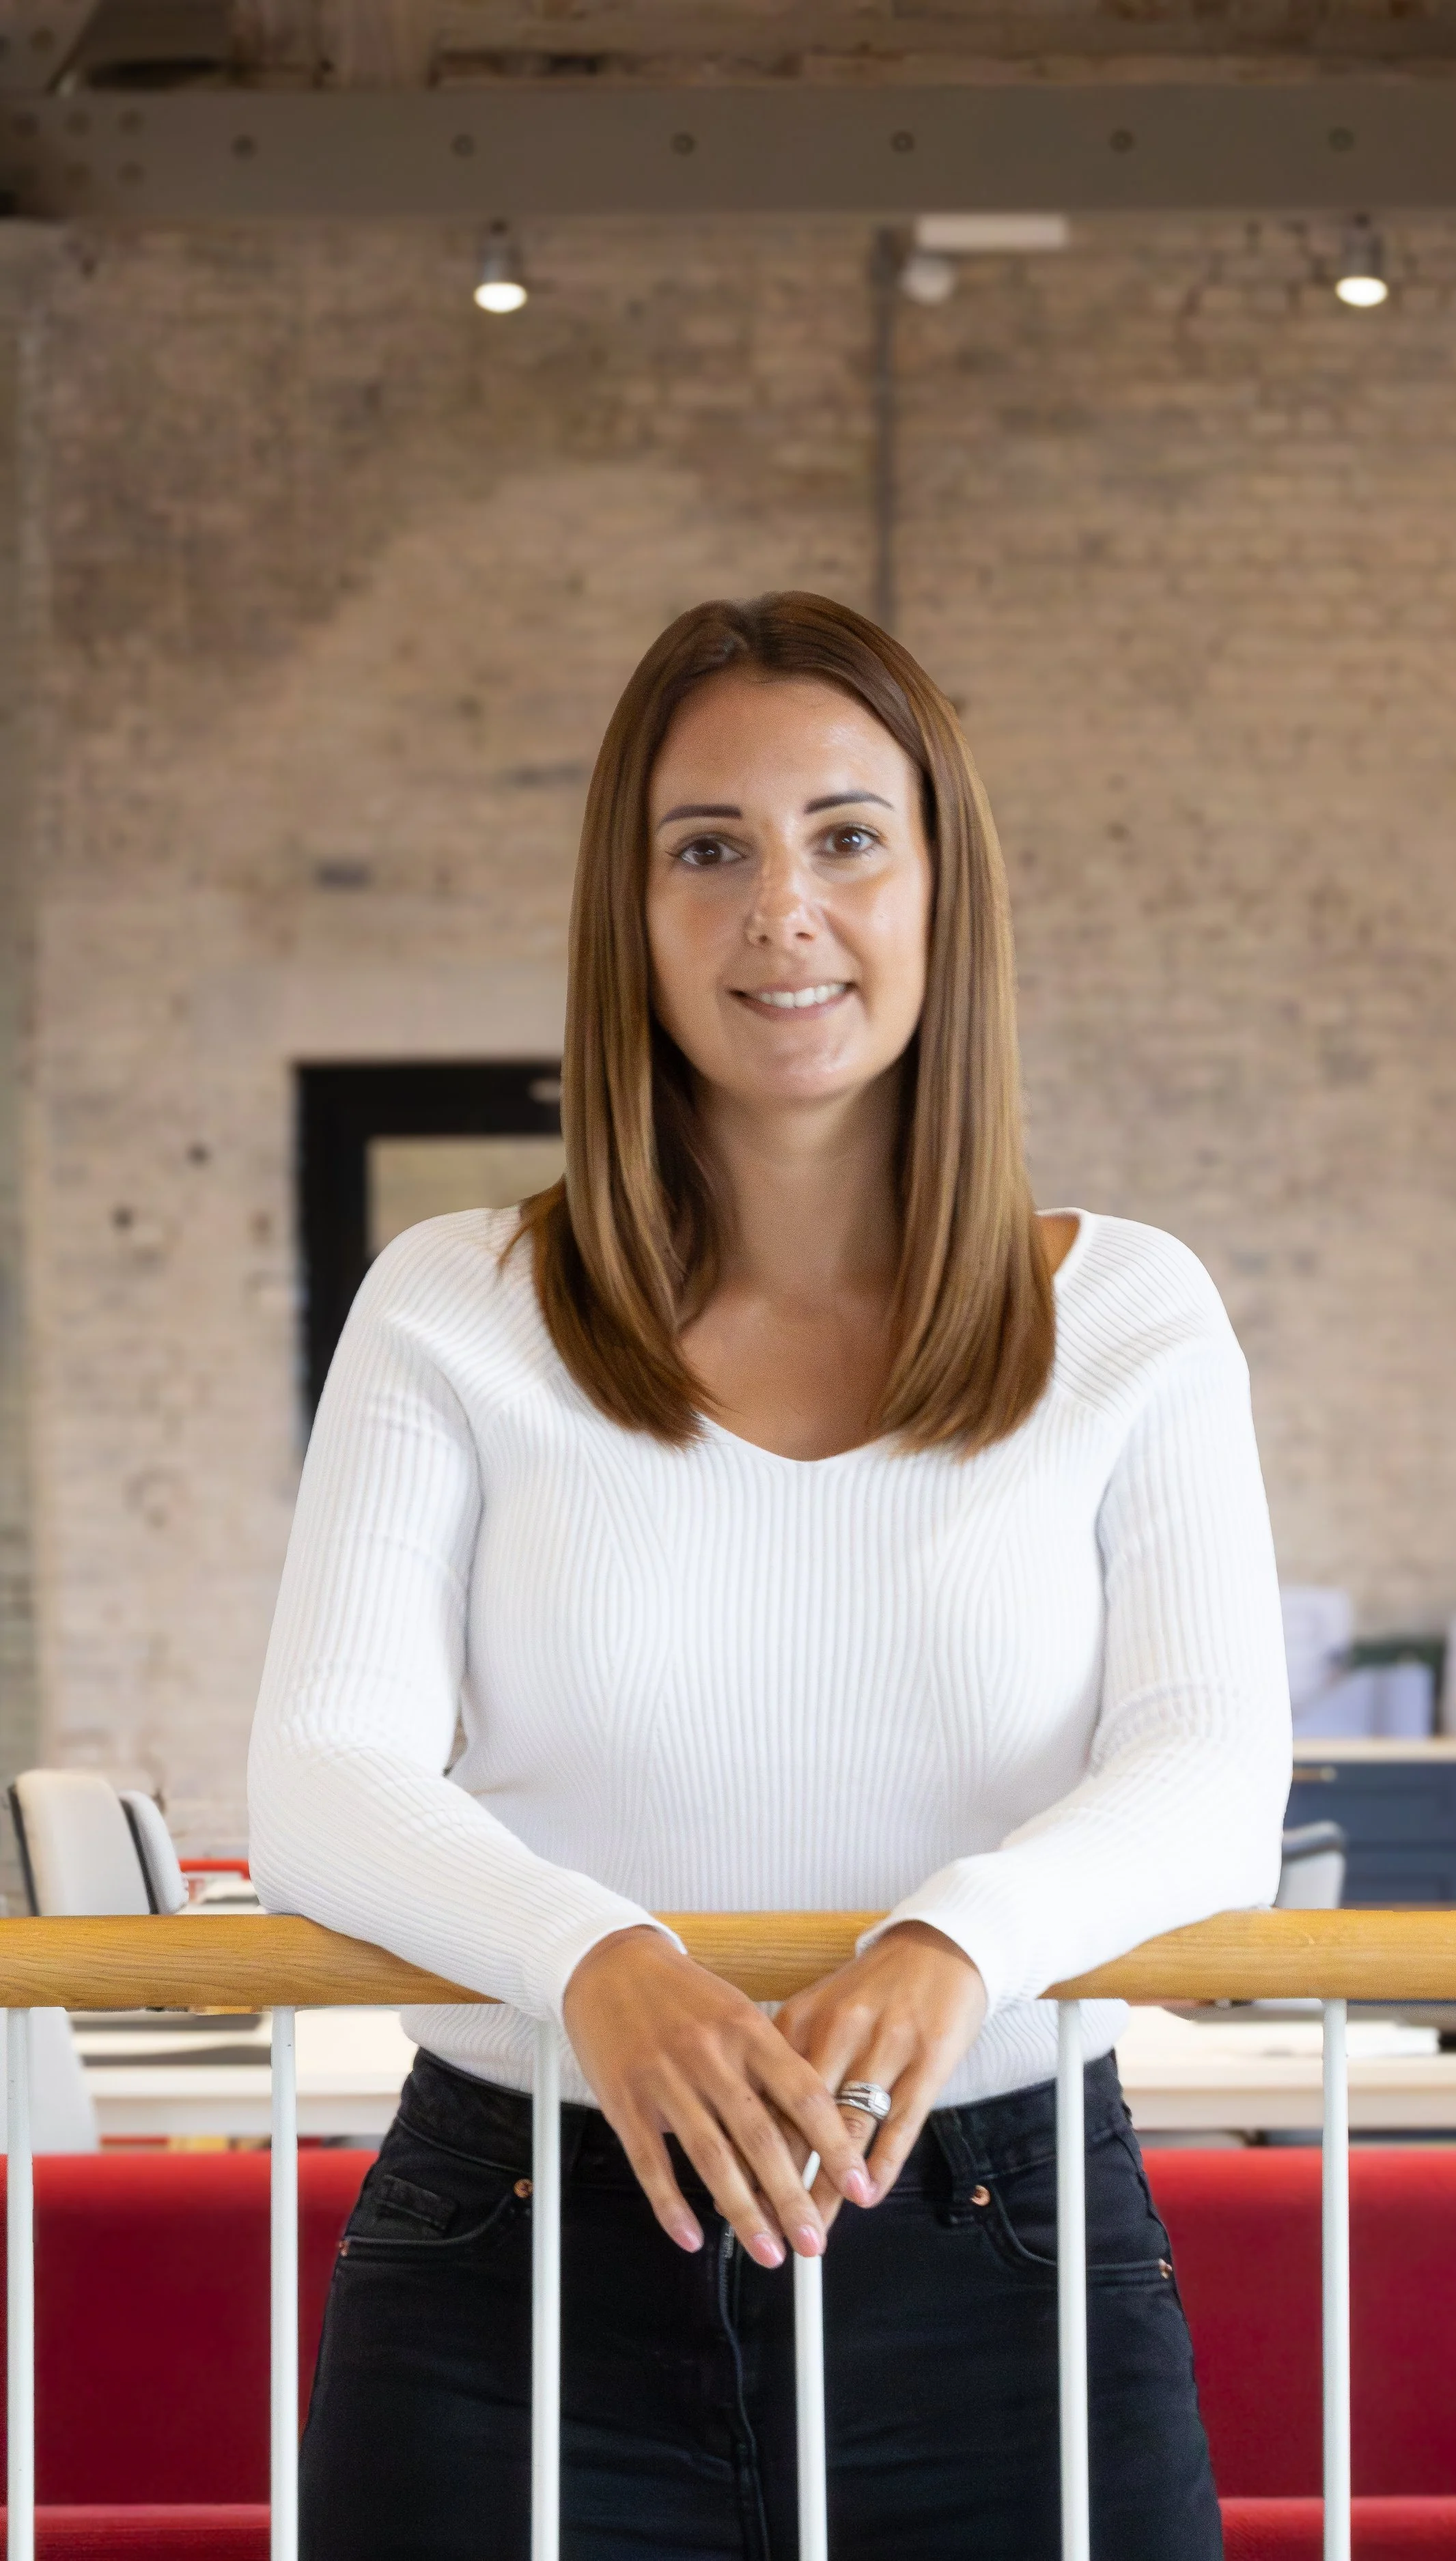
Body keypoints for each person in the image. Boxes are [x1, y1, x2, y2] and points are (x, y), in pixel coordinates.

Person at [249, 591, 1292, 2561]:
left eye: (843, 836)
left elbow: (1213, 1768)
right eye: (704, 847)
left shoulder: (1133, 1315)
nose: (776, 910)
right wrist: (605, 1967)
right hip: (521, 2270)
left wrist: (946, 1942)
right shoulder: (452, 1308)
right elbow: (317, 1773)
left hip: (1002, 2265)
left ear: (936, 888)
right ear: (627, 913)